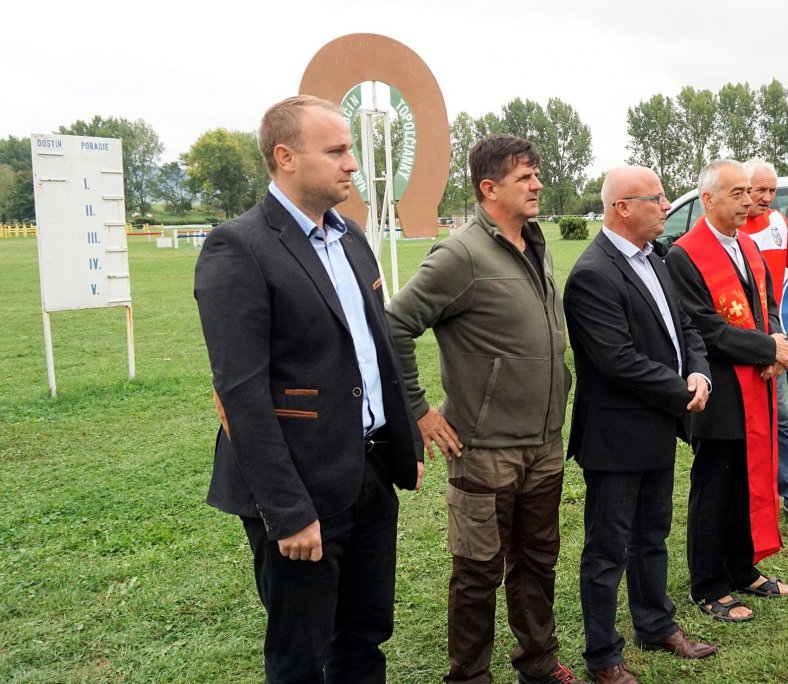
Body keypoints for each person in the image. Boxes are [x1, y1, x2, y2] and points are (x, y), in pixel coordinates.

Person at [194, 95, 424, 683]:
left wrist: (405, 443)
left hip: (368, 472)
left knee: (365, 636)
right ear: (286, 157)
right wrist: (289, 513)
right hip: (301, 486)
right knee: (301, 655)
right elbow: (241, 395)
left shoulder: (351, 237)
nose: (353, 163)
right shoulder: (238, 247)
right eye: (337, 150)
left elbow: (377, 349)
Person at [386, 135, 581, 684]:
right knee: (477, 572)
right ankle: (469, 677)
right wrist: (420, 410)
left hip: (544, 442)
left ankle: (538, 663)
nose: (538, 184)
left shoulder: (535, 242)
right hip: (484, 448)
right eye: (525, 177)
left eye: (536, 174)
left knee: (537, 561)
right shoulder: (461, 254)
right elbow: (395, 325)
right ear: (489, 188)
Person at [564, 166, 716, 684]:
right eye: (657, 197)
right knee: (607, 549)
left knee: (653, 535)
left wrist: (698, 373)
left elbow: (686, 326)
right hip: (615, 438)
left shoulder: (656, 258)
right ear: (623, 207)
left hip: (656, 427)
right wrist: (681, 390)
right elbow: (616, 359)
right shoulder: (593, 273)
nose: (667, 204)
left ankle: (656, 625)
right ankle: (603, 656)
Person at [665, 159, 788, 624]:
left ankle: (743, 568)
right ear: (708, 199)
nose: (748, 200)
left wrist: (774, 341)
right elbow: (706, 329)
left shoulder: (749, 246)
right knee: (714, 490)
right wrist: (767, 348)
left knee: (747, 482)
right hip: (717, 393)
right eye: (737, 193)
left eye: (749, 191)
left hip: (756, 386)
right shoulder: (684, 255)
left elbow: (768, 305)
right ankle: (708, 584)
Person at [740, 159, 788, 530]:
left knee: (781, 418)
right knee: (739, 423)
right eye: (761, 190)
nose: (767, 197)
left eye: (772, 190)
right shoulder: (728, 223)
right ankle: (744, 497)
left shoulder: (777, 222)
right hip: (734, 341)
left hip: (772, 336)